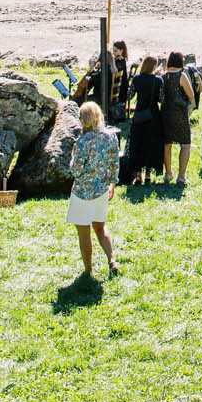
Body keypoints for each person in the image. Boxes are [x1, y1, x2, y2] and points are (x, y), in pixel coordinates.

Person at [60, 101, 122, 278]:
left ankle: (88, 271)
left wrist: (72, 162)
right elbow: (114, 163)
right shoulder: (110, 137)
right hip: (101, 190)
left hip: (81, 192)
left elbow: (76, 170)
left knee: (84, 233)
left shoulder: (81, 142)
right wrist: (112, 184)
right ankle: (112, 260)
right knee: (100, 229)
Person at [128, 55, 165, 187]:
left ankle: (138, 175)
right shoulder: (158, 80)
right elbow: (161, 99)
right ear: (154, 66)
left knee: (138, 144)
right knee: (151, 144)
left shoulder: (137, 79)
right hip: (153, 116)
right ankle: (148, 174)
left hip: (139, 115)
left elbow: (129, 95)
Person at [161, 51, 195, 186]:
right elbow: (191, 94)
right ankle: (181, 177)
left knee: (167, 144)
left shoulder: (163, 76)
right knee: (185, 144)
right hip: (180, 113)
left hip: (166, 113)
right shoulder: (181, 76)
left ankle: (168, 173)